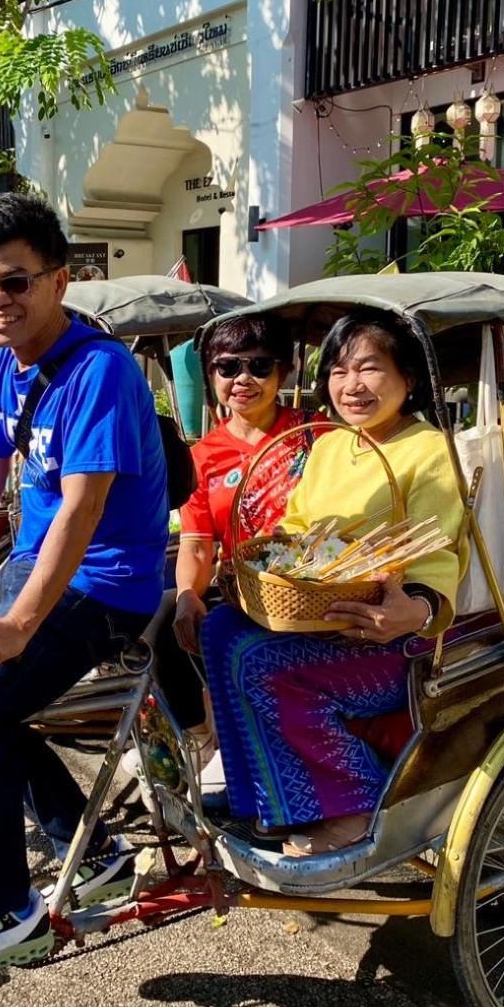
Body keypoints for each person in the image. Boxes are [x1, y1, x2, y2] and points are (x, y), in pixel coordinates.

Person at [0, 193, 169, 983]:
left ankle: (1, 912)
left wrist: (18, 619)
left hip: (110, 582)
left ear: (60, 280)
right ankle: (98, 851)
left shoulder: (100, 371)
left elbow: (83, 510)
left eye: (14, 282)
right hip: (40, 564)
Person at [201, 309, 465, 855]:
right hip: (317, 613)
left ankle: (354, 801)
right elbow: (296, 527)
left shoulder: (429, 450)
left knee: (260, 661)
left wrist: (414, 608)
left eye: (369, 369)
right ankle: (264, 796)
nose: (352, 386)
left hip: (389, 638)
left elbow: (437, 552)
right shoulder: (328, 444)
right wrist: (270, 563)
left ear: (408, 379)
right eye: (340, 371)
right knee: (220, 626)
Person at [154, 314, 313, 759]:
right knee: (163, 613)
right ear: (210, 374)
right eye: (228, 367)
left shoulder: (316, 435)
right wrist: (188, 593)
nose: (243, 378)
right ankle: (200, 736)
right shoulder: (202, 456)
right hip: (243, 587)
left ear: (284, 370)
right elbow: (197, 542)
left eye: (260, 366)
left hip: (311, 588)